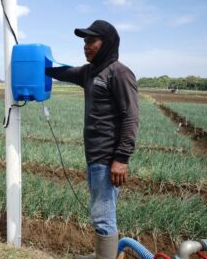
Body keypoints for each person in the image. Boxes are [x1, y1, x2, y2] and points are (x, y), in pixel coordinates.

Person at [45, 20, 139, 259]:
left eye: (91, 41)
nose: (85, 46)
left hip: (107, 158)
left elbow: (130, 118)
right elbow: (64, 72)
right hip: (95, 156)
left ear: (106, 43)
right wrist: (39, 65)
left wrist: (121, 158)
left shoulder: (118, 73)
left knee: (103, 214)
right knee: (100, 211)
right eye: (84, 42)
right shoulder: (90, 71)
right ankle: (104, 255)